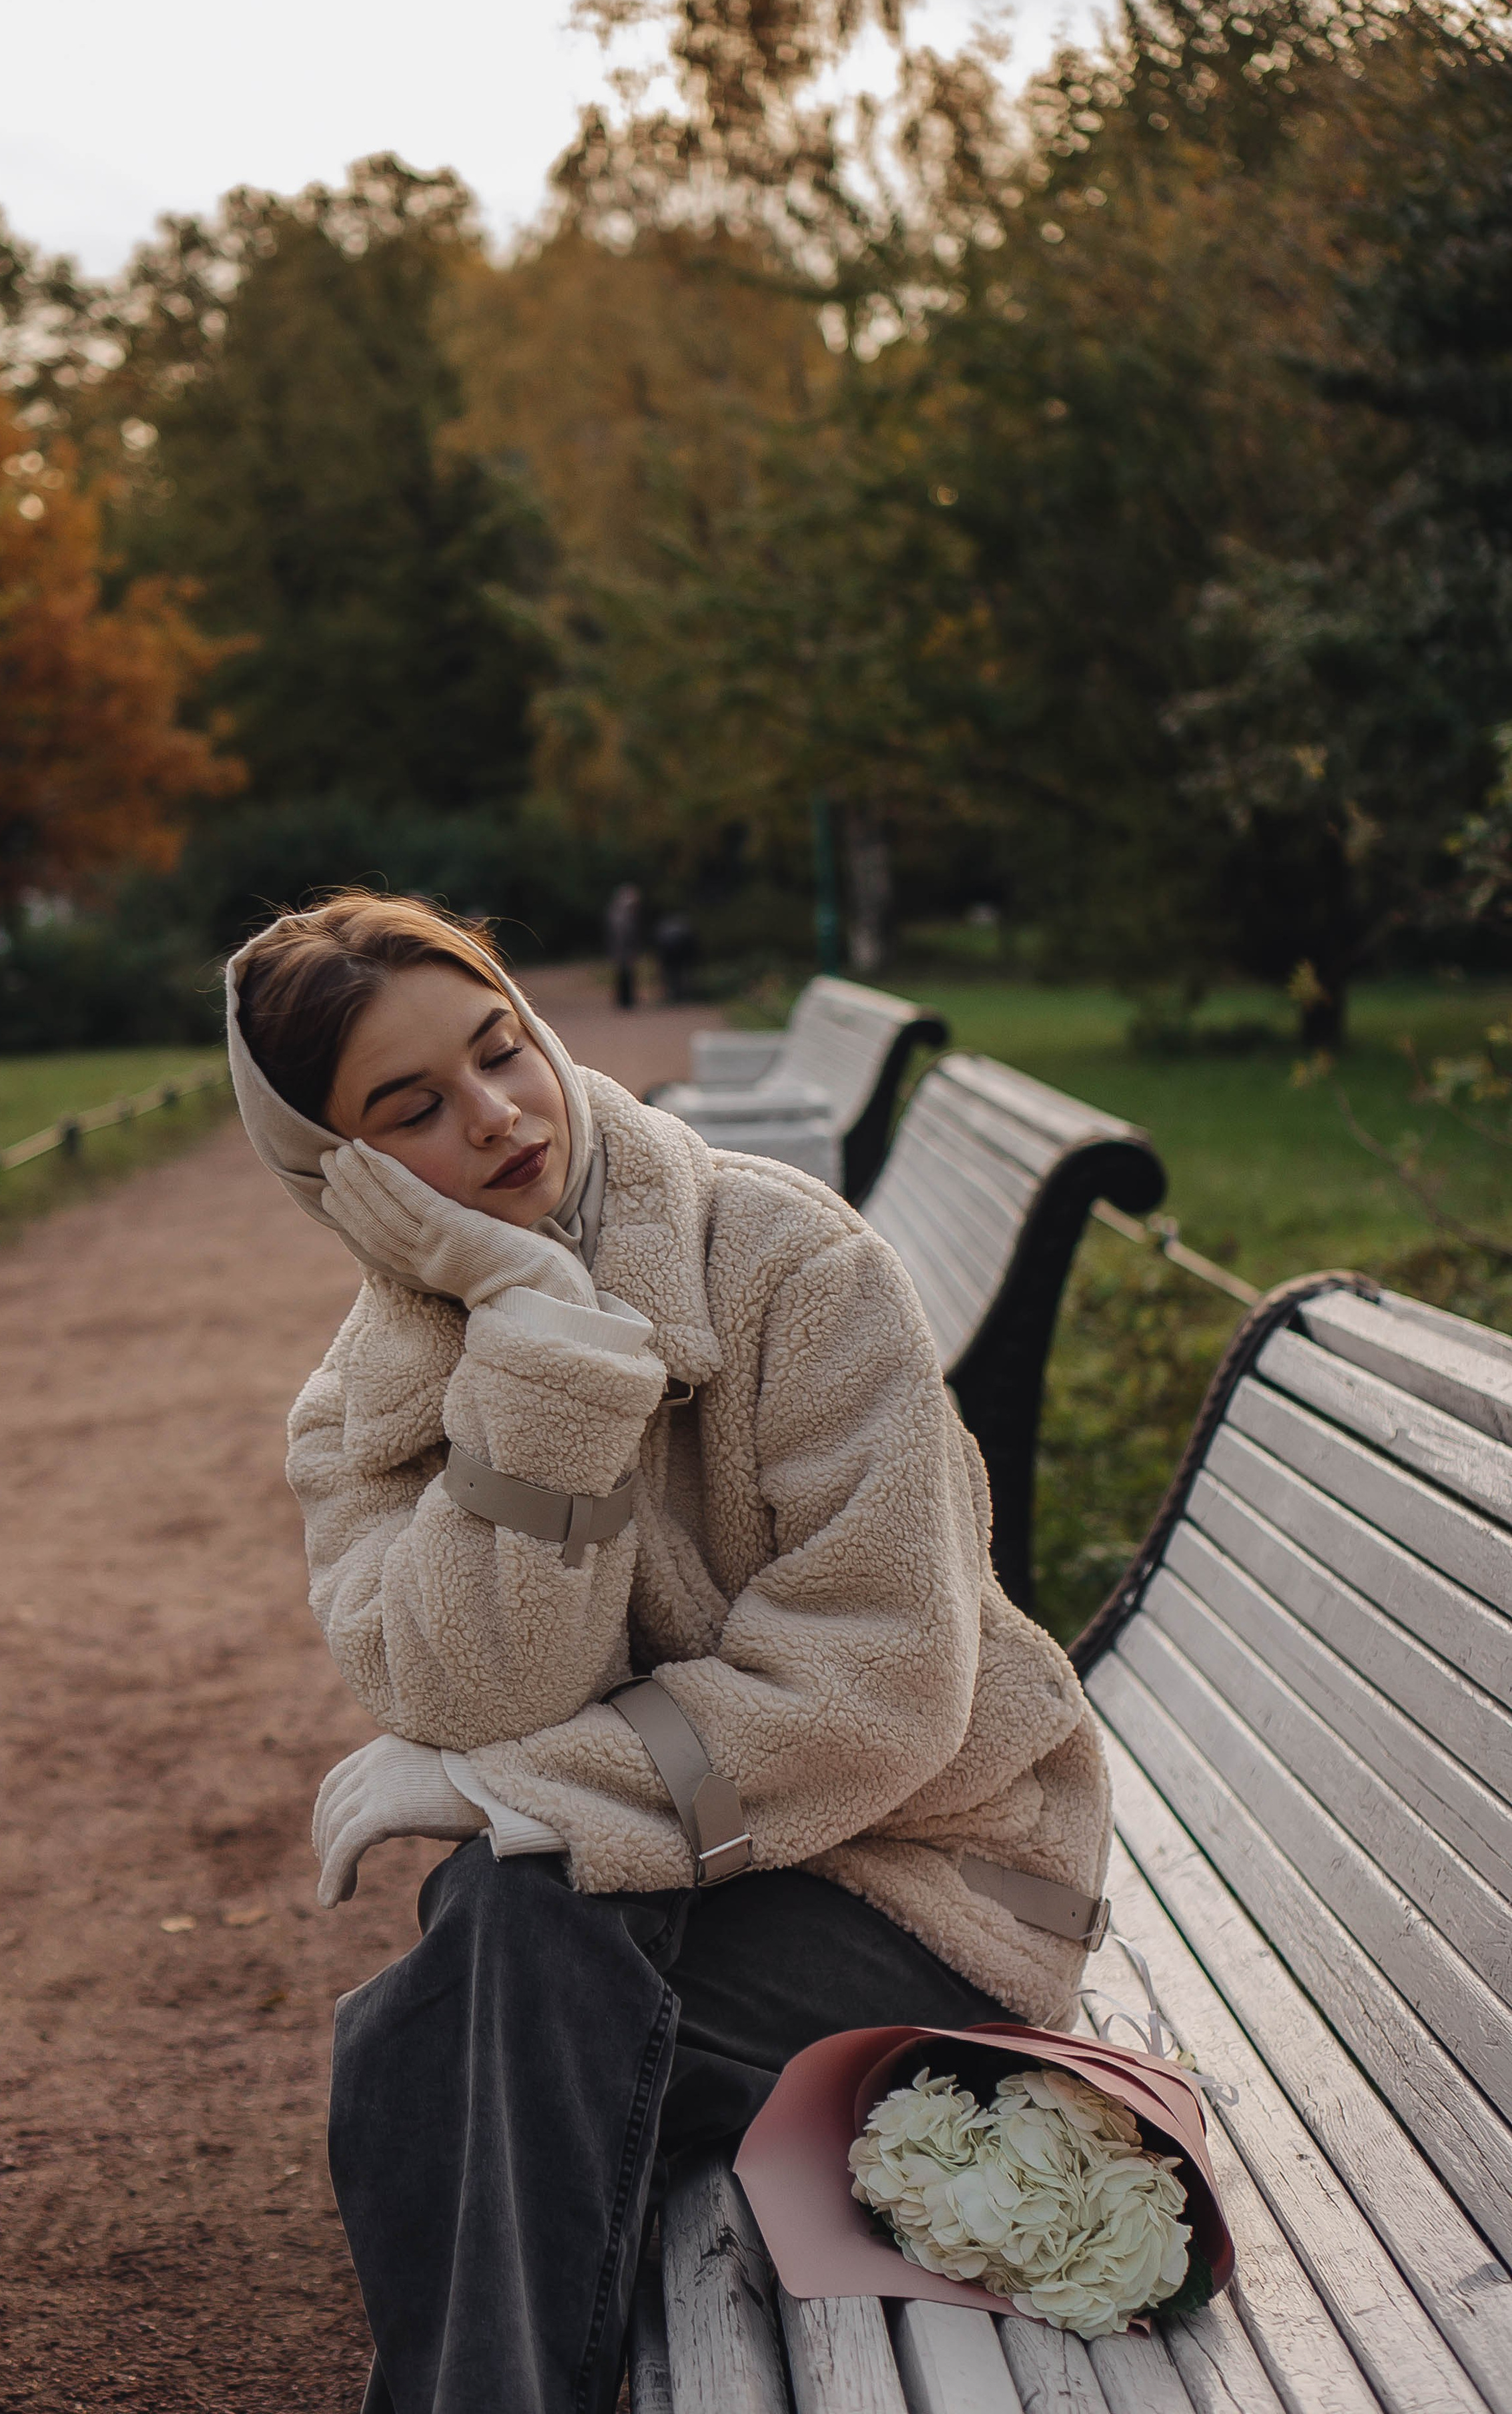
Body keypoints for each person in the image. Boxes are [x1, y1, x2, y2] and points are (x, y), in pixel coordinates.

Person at [225, 892, 1112, 2414]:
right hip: (674, 1902)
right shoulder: (363, 1410)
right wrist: (538, 1336)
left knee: (480, 1987)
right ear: (338, 1178)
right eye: (412, 1109)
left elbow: (876, 1694)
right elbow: (483, 1687)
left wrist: (515, 1791)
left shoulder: (791, 1264)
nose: (497, 1115)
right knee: (488, 1971)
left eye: (500, 1047)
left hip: (937, 1883)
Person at [604, 882, 641, 1009]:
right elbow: (621, 934)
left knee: (626, 974)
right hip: (622, 949)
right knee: (624, 974)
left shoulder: (619, 913)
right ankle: (625, 1000)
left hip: (622, 949)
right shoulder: (621, 914)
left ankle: (627, 1000)